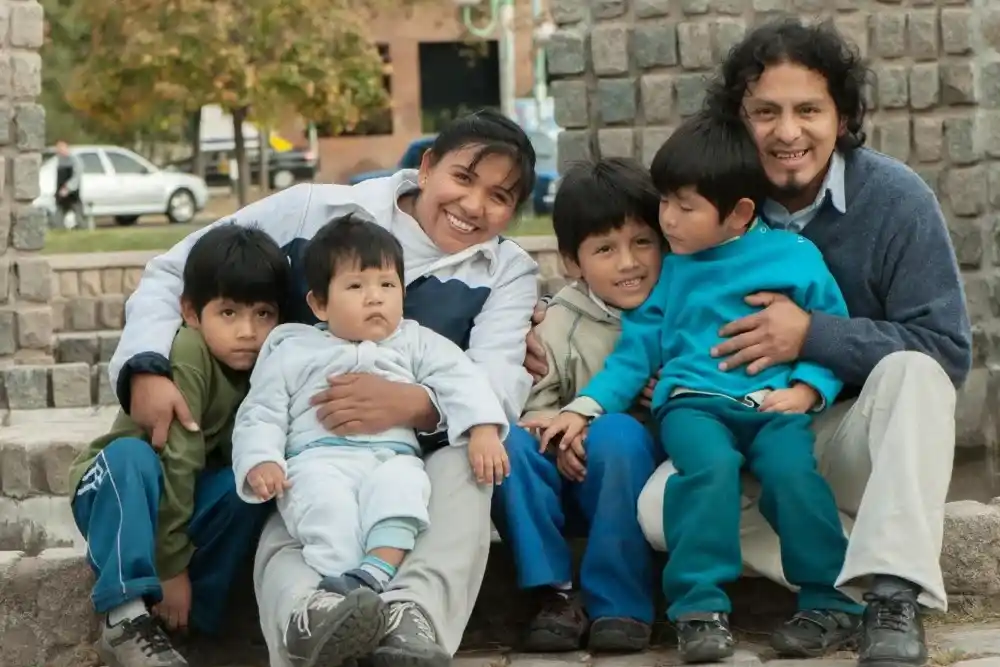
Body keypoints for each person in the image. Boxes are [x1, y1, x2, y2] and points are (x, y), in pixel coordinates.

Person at [527, 17, 972, 667]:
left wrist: (811, 336)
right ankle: (845, 576)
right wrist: (547, 315)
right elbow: (628, 278)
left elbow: (946, 351)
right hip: (728, 425)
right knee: (658, 511)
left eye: (808, 110)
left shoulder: (896, 200)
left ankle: (893, 594)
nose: (788, 131)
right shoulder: (710, 201)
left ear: (841, 117)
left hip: (840, 426)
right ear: (739, 118)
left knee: (916, 372)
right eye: (766, 111)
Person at [107, 108, 539, 667]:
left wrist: (414, 405)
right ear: (427, 167)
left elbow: (495, 379)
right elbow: (175, 270)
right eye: (463, 178)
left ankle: (414, 623)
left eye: (500, 197)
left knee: (471, 463)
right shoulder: (315, 210)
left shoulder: (507, 271)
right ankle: (304, 620)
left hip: (413, 452)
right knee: (294, 502)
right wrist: (145, 365)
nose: (474, 206)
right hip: (300, 443)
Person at [544, 111, 863, 663]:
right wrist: (585, 407)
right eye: (664, 200)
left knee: (793, 475)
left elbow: (828, 334)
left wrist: (809, 391)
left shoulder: (794, 258)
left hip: (773, 403)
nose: (666, 218)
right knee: (707, 471)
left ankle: (828, 599)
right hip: (694, 407)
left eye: (683, 206)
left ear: (739, 212)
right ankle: (698, 608)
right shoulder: (675, 270)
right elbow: (635, 351)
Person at [230, 216, 512, 666]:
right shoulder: (292, 349)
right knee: (327, 512)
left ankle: (375, 580)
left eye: (387, 284)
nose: (376, 297)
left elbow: (463, 380)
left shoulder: (415, 342)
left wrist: (482, 429)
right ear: (319, 304)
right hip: (318, 461)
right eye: (357, 287)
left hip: (393, 457)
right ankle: (334, 609)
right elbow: (260, 412)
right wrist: (261, 461)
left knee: (402, 496)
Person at [68, 224, 290, 667]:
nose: (248, 331)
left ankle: (194, 630)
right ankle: (125, 617)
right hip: (122, 490)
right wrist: (171, 568)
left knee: (244, 486)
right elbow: (179, 454)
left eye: (263, 314)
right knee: (132, 458)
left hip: (185, 502)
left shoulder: (272, 364)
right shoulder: (190, 349)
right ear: (191, 312)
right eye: (228, 313)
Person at [491, 158, 664, 653]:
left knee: (618, 434)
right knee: (509, 445)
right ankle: (555, 594)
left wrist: (599, 423)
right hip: (566, 479)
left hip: (637, 479)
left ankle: (620, 603)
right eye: (605, 249)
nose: (628, 263)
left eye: (642, 242)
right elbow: (533, 404)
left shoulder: (679, 311)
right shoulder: (559, 322)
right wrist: (555, 427)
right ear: (572, 261)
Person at [54, 140, 85, 229]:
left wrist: (68, 188)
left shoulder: (74, 160)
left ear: (66, 148)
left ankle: (81, 228)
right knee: (59, 213)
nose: (60, 151)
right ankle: (59, 229)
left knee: (77, 212)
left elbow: (77, 175)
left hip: (72, 192)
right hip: (61, 192)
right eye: (58, 150)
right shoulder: (59, 160)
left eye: (61, 149)